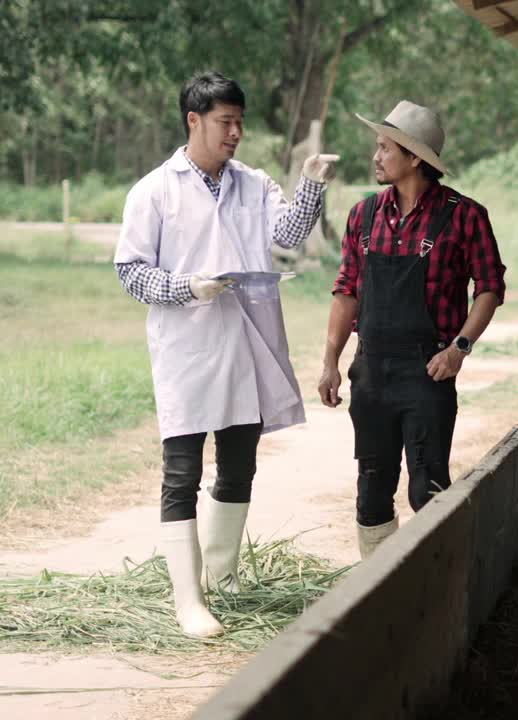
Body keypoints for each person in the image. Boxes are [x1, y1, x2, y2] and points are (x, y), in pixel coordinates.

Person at [113, 71, 339, 637]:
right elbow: (132, 271)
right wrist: (186, 287)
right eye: (225, 122)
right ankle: (187, 600)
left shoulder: (252, 183)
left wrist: (310, 185)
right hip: (187, 346)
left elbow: (286, 233)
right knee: (183, 471)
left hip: (245, 340)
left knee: (239, 465)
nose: (236, 132)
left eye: (240, 122)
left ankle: (222, 574)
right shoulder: (155, 190)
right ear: (194, 121)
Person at [317, 100, 506, 559]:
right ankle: (378, 587)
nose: (376, 156)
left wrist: (460, 348)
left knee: (428, 489)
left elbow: (490, 287)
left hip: (428, 373)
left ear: (415, 157)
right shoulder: (363, 216)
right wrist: (330, 362)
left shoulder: (465, 216)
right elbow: (346, 291)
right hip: (372, 373)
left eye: (385, 148)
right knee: (371, 494)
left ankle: (438, 582)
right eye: (377, 147)